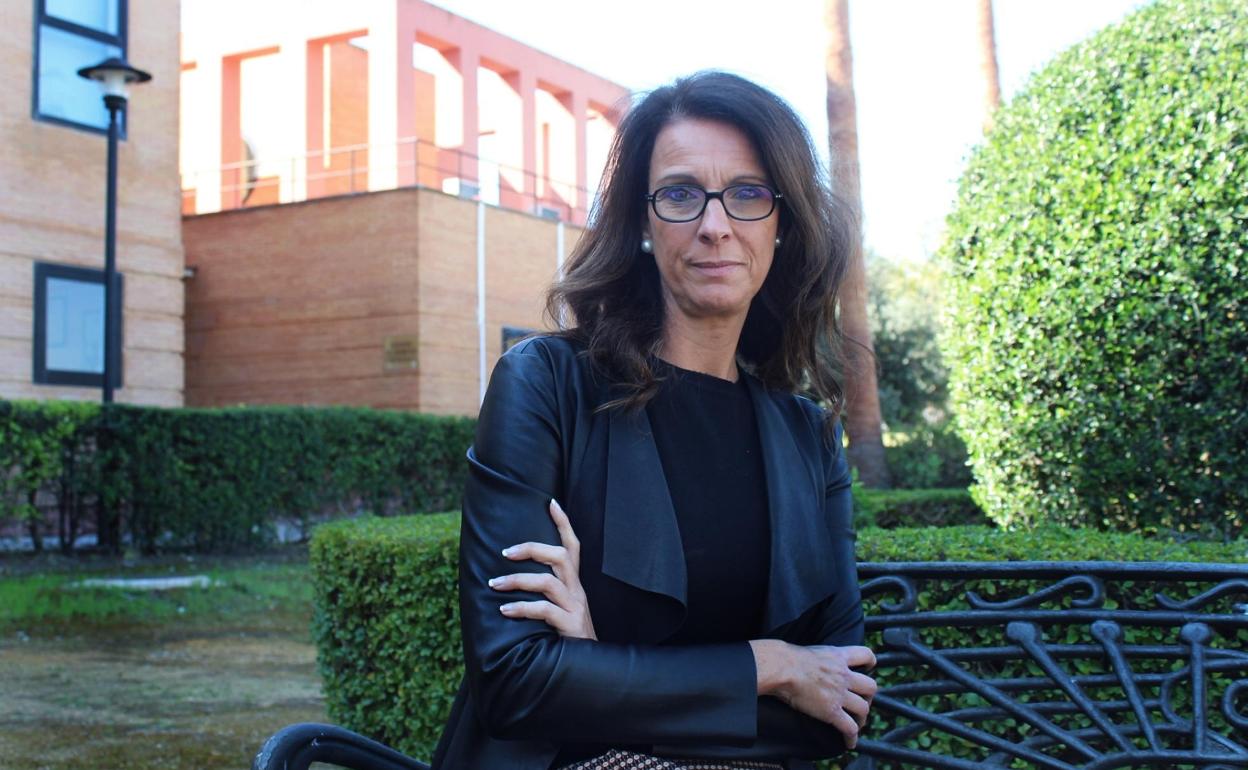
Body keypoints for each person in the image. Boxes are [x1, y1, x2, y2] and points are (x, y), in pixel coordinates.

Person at [432, 71, 876, 770]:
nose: (714, 225)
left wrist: (600, 674)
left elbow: (839, 710)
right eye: (679, 194)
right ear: (641, 223)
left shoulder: (809, 438)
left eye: (748, 194)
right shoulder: (546, 386)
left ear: (783, 223)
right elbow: (515, 681)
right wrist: (771, 666)